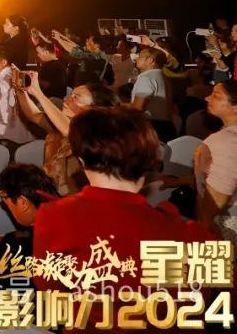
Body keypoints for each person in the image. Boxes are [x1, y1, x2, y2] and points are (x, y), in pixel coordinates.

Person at [33, 109, 210, 326]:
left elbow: (50, 288)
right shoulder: (194, 236)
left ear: (81, 161)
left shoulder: (55, 216)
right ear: (148, 165)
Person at [14, 74, 118, 195]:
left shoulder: (97, 137)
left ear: (93, 109)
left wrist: (38, 93)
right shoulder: (59, 124)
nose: (66, 99)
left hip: (79, 199)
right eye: (70, 95)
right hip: (53, 194)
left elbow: (70, 131)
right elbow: (33, 115)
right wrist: (20, 88)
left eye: (76, 97)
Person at [0, 164, 59, 324]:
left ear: (23, 203)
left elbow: (3, 310)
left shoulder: (14, 245)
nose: (5, 205)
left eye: (5, 199)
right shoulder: (70, 223)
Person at [194, 81, 237, 243]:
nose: (207, 98)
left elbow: (218, 194)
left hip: (225, 222)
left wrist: (205, 225)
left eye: (216, 96)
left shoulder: (225, 141)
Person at [0, 45, 34, 150]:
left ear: (4, 62)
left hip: (7, 131)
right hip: (10, 129)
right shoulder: (12, 73)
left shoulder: (5, 77)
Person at [130, 45, 176, 141]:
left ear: (150, 60)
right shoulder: (164, 77)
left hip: (151, 128)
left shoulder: (146, 77)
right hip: (167, 127)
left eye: (140, 56)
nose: (136, 59)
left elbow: (137, 108)